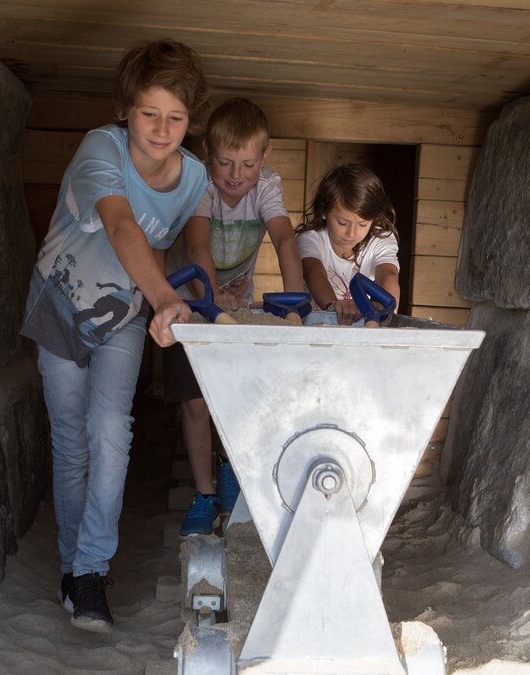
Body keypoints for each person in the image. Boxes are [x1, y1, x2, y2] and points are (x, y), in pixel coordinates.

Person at [20, 39, 210, 634]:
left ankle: (91, 575)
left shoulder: (195, 176)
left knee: (110, 432)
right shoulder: (100, 147)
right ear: (126, 108)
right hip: (58, 306)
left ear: (190, 120)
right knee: (72, 440)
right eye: (150, 113)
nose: (162, 128)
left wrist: (197, 299)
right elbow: (122, 223)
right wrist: (164, 297)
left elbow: (182, 243)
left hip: (123, 315)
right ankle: (75, 567)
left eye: (176, 117)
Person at [165, 97, 304, 536]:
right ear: (208, 154)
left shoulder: (266, 187)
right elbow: (197, 247)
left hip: (235, 305)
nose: (235, 175)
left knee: (238, 394)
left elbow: (284, 238)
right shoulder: (199, 184)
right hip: (188, 300)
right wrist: (210, 298)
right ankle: (204, 494)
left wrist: (297, 301)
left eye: (246, 164)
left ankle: (228, 467)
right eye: (225, 162)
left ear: (264, 158)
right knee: (195, 399)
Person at [297, 164, 401, 324]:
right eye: (342, 222)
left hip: (359, 329)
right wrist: (334, 307)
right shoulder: (311, 239)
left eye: (362, 224)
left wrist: (384, 309)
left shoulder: (381, 239)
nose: (351, 233)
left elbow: (388, 274)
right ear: (324, 211)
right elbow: (313, 272)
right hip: (314, 327)